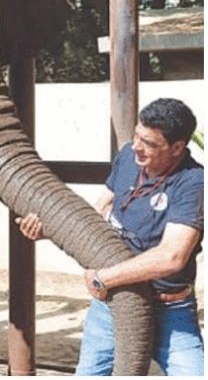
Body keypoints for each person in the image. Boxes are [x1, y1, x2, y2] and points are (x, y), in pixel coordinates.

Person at [17, 98, 203, 375]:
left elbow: (171, 257)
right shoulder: (128, 155)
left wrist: (103, 277)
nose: (137, 147)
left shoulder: (193, 182)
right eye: (137, 136)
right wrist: (51, 230)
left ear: (177, 147)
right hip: (112, 304)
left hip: (169, 309)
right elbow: (99, 210)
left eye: (149, 143)